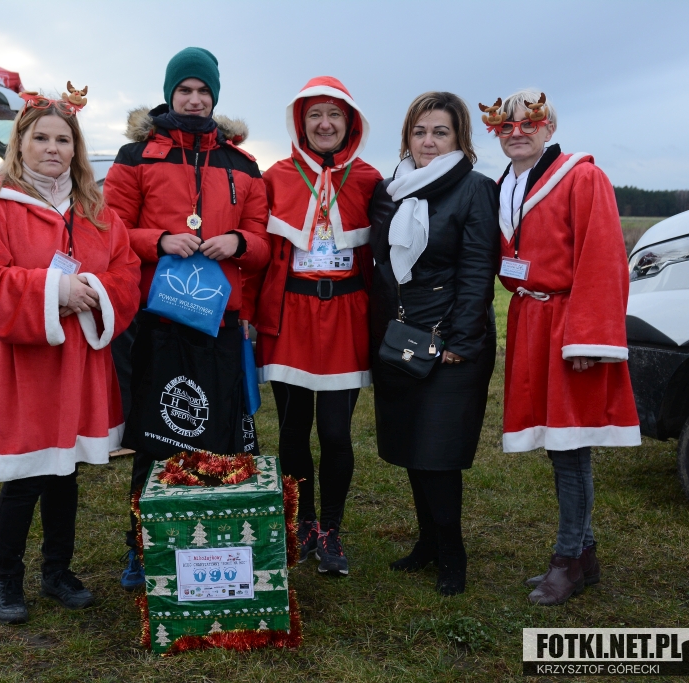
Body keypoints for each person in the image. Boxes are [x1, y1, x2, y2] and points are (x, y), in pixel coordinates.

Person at [0, 86, 141, 624]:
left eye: (63, 139)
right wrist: (57, 290)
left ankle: (58, 572)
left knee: (65, 469)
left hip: (76, 357)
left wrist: (94, 291)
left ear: (75, 148)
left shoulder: (96, 211)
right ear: (20, 143)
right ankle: (6, 581)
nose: (52, 148)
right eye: (41, 138)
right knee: (26, 472)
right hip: (22, 360)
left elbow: (126, 272)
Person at [102, 47, 270, 591]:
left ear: (214, 97)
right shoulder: (135, 156)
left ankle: (212, 543)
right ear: (170, 94)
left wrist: (239, 241)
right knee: (155, 435)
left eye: (203, 91)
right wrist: (160, 241)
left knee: (219, 435)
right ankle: (141, 546)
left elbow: (263, 242)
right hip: (159, 320)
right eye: (185, 90)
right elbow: (110, 231)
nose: (194, 99)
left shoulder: (243, 164)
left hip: (220, 322)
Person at [487, 89, 641, 606]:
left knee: (571, 449)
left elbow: (603, 258)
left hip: (567, 325)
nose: (517, 133)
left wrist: (587, 339)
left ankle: (567, 560)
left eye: (529, 123)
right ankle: (585, 555)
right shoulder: (505, 185)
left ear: (549, 128)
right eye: (506, 126)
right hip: (529, 317)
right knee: (560, 446)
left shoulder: (581, 177)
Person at [248, 76, 381, 576]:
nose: (325, 124)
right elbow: (260, 255)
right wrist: (248, 314)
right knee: (293, 428)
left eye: (334, 114)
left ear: (351, 122)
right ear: (300, 122)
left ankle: (331, 528)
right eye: (314, 115)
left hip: (346, 313)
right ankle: (302, 523)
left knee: (336, 432)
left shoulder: (369, 179)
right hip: (293, 314)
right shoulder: (277, 176)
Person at [368, 92, 500, 596]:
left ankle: (452, 554)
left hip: (449, 338)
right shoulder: (393, 189)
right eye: (420, 131)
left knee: (438, 451)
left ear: (459, 137)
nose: (428, 141)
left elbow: (477, 270)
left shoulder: (475, 188)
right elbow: (383, 264)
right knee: (412, 446)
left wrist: (461, 340)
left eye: (440, 132)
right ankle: (427, 543)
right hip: (403, 335)